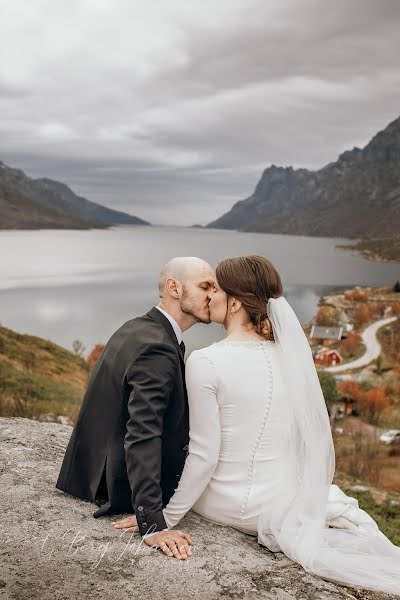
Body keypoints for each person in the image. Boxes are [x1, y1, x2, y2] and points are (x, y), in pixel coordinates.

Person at [115, 255, 400, 594]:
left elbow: (204, 455)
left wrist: (166, 518)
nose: (209, 298)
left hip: (227, 504)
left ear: (234, 302)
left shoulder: (207, 361)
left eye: (216, 290)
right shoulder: (288, 355)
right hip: (284, 496)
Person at [56, 256, 216, 559]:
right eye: (205, 286)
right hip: (118, 486)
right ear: (174, 288)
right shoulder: (158, 348)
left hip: (88, 472)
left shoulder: (137, 327)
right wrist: (152, 521)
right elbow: (142, 431)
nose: (212, 295)